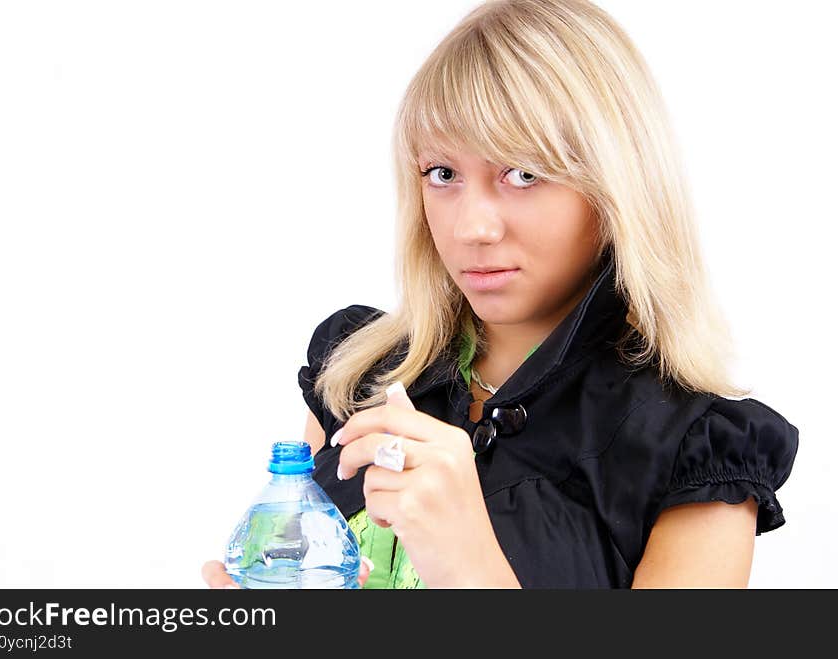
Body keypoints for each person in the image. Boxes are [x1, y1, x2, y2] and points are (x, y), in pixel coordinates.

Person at [203, 0, 799, 589]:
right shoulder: (357, 371)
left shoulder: (699, 451)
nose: (472, 228)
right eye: (443, 174)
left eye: (523, 174)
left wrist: (467, 565)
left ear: (617, 185)